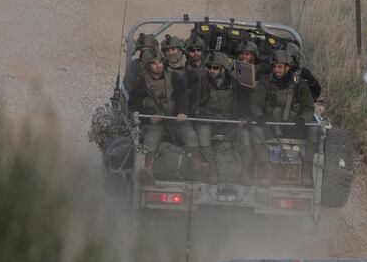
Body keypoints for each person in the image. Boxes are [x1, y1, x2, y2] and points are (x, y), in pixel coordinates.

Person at [251, 49, 316, 184]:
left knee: (315, 130)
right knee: (254, 129)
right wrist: (258, 116)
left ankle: (307, 170)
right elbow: (255, 103)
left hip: (294, 127)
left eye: (280, 67)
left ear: (288, 67)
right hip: (270, 126)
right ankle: (267, 169)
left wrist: (303, 119)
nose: (276, 70)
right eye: (274, 67)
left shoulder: (299, 84)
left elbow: (308, 107)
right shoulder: (265, 82)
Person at [127, 47, 186, 184]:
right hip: (153, 124)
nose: (158, 66)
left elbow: (183, 95)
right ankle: (148, 168)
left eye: (160, 62)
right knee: (152, 136)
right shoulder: (141, 83)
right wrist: (149, 117)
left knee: (190, 134)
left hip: (174, 121)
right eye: (154, 63)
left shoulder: (173, 77)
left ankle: (196, 163)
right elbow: (133, 106)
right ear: (148, 66)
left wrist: (182, 112)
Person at [178, 51, 237, 184]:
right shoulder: (202, 83)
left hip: (228, 122)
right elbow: (190, 102)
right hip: (206, 121)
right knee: (203, 138)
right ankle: (212, 170)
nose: (211, 70)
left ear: (222, 68)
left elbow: (239, 103)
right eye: (209, 67)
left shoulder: (233, 84)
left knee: (243, 138)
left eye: (215, 68)